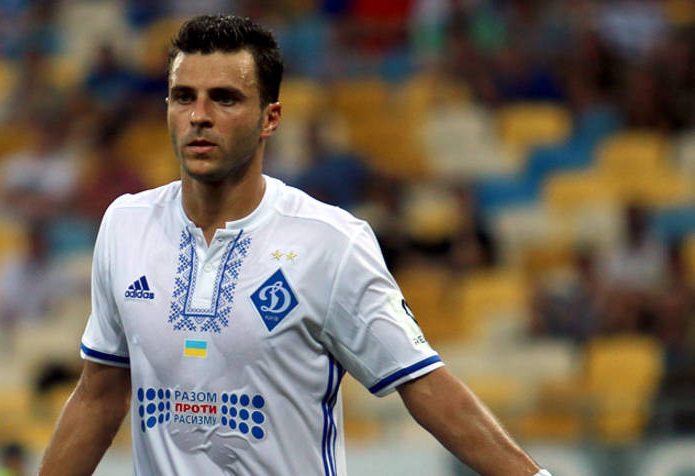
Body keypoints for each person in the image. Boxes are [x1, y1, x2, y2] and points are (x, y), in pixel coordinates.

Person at [38, 15, 549, 476]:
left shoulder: (329, 242)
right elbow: (98, 397)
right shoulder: (125, 226)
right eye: (183, 96)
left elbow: (425, 385)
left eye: (225, 98)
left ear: (271, 118)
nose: (199, 115)